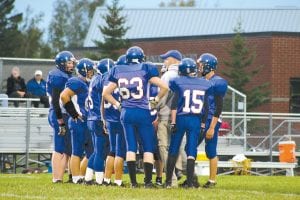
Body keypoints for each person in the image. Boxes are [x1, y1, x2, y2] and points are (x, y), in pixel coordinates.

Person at [102, 46, 168, 188]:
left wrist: (118, 105)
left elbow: (105, 94)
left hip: (126, 112)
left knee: (131, 147)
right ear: (141, 57)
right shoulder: (145, 68)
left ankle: (133, 182)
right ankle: (148, 182)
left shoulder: (118, 69)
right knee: (148, 147)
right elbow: (165, 87)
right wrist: (155, 100)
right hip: (143, 111)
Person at [165, 58, 213, 188]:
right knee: (192, 150)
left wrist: (173, 122)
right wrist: (203, 123)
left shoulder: (177, 81)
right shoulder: (204, 83)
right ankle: (191, 183)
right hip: (195, 120)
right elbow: (206, 107)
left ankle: (168, 182)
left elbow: (174, 104)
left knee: (174, 148)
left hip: (181, 118)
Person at [60, 58, 94, 184]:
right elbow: (64, 96)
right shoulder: (76, 81)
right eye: (90, 71)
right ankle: (75, 178)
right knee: (76, 151)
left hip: (87, 120)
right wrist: (73, 114)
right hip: (78, 120)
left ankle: (84, 176)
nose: (92, 73)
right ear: (83, 71)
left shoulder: (86, 83)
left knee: (91, 151)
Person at [197, 53, 228, 188]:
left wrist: (211, 127)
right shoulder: (202, 81)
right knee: (190, 148)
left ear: (208, 66)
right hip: (201, 118)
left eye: (201, 65)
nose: (199, 68)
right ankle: (191, 178)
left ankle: (212, 180)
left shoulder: (218, 82)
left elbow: (218, 108)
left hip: (211, 120)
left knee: (211, 151)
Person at [46, 51, 75, 183]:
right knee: (59, 147)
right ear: (62, 63)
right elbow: (56, 101)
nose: (71, 65)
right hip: (59, 113)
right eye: (69, 62)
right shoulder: (57, 75)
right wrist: (60, 121)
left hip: (64, 113)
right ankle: (56, 178)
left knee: (68, 148)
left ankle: (66, 176)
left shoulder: (65, 75)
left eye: (72, 62)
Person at [156, 50, 183, 186]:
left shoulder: (168, 75)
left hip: (166, 115)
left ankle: (171, 178)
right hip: (182, 117)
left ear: (173, 59)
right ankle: (185, 172)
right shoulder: (185, 74)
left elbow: (162, 97)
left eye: (166, 59)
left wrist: (154, 107)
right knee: (178, 146)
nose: (164, 61)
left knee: (163, 147)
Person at [85, 59, 112, 185]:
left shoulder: (95, 79)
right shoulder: (103, 79)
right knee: (101, 151)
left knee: (96, 151)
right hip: (98, 118)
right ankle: (100, 180)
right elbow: (105, 98)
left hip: (91, 117)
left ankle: (88, 177)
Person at [101, 56, 126, 187]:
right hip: (119, 117)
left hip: (109, 118)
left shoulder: (106, 79)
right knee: (120, 151)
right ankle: (118, 180)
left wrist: (103, 118)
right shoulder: (124, 79)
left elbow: (102, 98)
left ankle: (106, 179)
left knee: (112, 150)